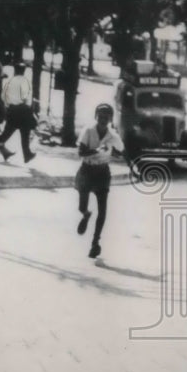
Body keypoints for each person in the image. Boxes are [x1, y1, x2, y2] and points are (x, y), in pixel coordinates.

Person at [75, 103, 125, 259]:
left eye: (106, 117)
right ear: (96, 116)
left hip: (102, 172)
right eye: (100, 116)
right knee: (82, 206)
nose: (103, 120)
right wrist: (97, 150)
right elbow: (81, 152)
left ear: (110, 119)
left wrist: (114, 152)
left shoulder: (113, 135)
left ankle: (95, 243)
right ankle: (85, 215)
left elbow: (121, 151)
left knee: (103, 210)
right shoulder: (88, 130)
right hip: (87, 170)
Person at [0, 62, 36, 164]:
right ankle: (27, 154)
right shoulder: (25, 81)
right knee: (25, 134)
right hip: (23, 109)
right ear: (23, 71)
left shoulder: (9, 81)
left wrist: (8, 106)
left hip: (12, 110)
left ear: (15, 70)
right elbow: (26, 98)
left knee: (7, 133)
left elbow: (3, 96)